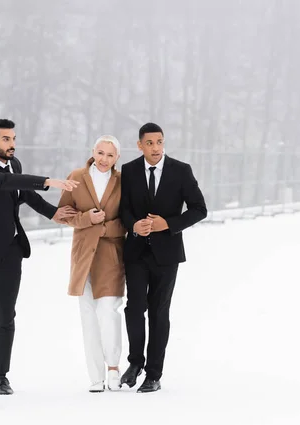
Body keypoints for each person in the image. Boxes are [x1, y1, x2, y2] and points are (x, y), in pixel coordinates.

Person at [0, 118, 79, 406]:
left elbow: (24, 193)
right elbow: (3, 183)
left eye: (13, 138)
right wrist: (47, 181)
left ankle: (1, 375)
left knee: (6, 316)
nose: (12, 144)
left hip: (11, 251)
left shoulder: (16, 164)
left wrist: (53, 213)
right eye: (6, 139)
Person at [119, 122, 207, 393]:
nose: (155, 148)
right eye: (150, 143)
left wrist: (167, 224)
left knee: (159, 312)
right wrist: (133, 224)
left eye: (159, 142)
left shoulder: (181, 171)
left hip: (166, 255)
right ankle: (135, 363)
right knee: (134, 308)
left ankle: (154, 374)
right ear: (140, 145)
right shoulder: (129, 170)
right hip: (135, 252)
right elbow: (124, 209)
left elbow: (199, 209)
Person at [58, 135, 126, 392]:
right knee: (88, 316)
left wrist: (104, 227)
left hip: (110, 254)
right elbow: (63, 215)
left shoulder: (122, 182)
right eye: (100, 153)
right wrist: (87, 218)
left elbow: (128, 220)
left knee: (108, 311)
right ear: (93, 151)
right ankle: (95, 376)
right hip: (83, 255)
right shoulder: (76, 176)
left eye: (110, 155)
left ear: (117, 157)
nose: (104, 159)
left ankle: (113, 368)